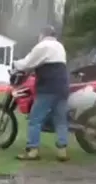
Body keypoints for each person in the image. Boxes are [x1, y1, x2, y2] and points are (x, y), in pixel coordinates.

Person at [13, 25, 70, 162]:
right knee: (60, 119)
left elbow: (27, 63)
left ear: (42, 35)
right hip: (62, 87)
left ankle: (33, 150)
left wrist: (15, 63)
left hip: (47, 87)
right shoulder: (59, 46)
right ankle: (62, 151)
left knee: (35, 119)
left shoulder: (42, 46)